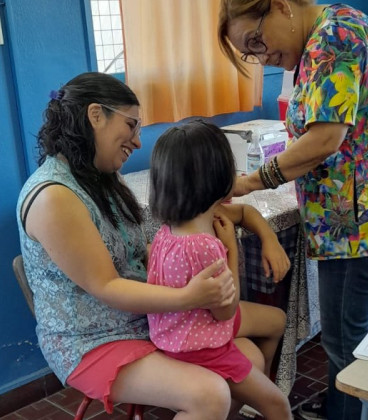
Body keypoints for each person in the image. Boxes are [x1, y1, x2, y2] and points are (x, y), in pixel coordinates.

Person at [17, 72, 259, 419]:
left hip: (144, 318)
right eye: (131, 126)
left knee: (249, 357)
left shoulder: (101, 175)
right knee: (210, 394)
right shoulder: (54, 197)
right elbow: (107, 285)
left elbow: (147, 242)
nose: (138, 141)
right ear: (96, 115)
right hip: (91, 341)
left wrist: (242, 226)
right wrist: (189, 297)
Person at [217, 2, 368, 419]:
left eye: (256, 41)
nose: (261, 55)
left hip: (359, 218)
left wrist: (253, 181)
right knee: (344, 336)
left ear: (283, 7)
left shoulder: (335, 37)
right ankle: (344, 406)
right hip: (352, 214)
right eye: (249, 53)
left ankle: (351, 413)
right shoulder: (324, 36)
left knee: (344, 340)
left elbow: (325, 138)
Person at [147, 120, 292, 419]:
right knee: (278, 405)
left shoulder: (165, 232)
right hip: (205, 349)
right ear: (218, 177)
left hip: (173, 337)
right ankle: (252, 396)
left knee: (272, 326)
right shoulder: (206, 246)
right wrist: (231, 249)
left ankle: (248, 395)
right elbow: (226, 310)